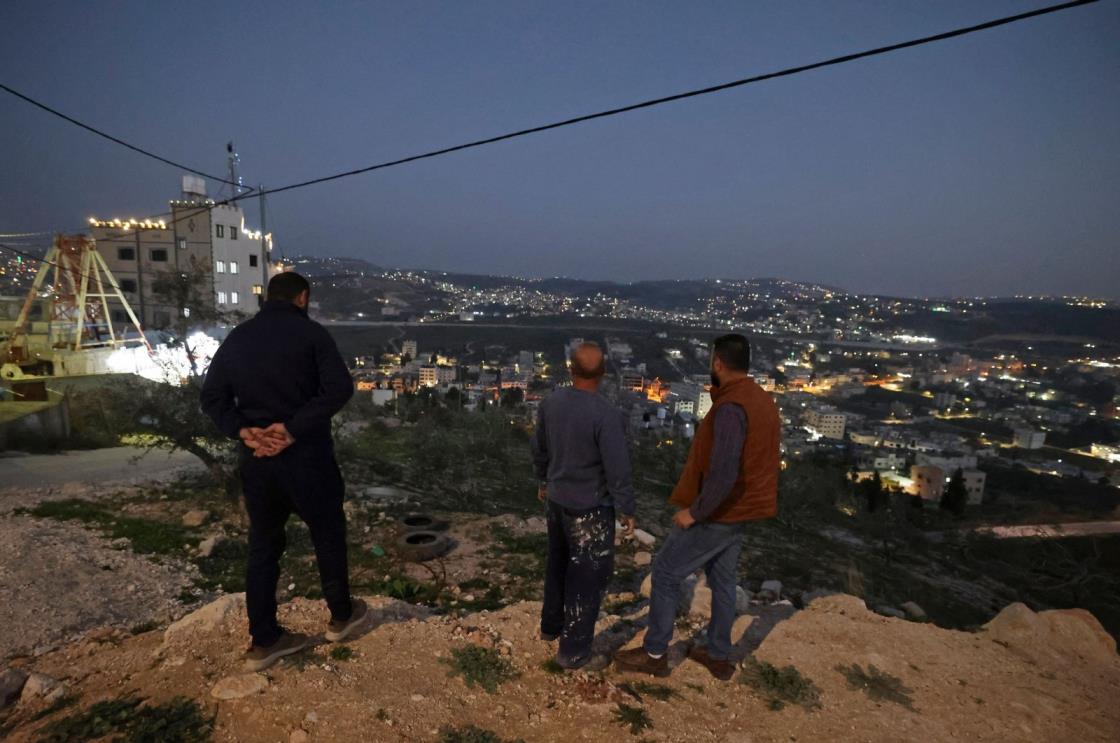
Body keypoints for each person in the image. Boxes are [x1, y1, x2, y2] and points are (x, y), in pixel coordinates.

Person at [200, 271, 367, 671]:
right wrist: (291, 430)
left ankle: (265, 639)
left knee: (263, 547)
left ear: (267, 297)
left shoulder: (239, 337)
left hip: (257, 461)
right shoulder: (312, 335)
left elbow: (212, 397)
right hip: (308, 457)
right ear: (303, 298)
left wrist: (245, 431)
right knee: (327, 534)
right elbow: (339, 388)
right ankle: (341, 617)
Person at [614, 333, 779, 680]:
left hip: (718, 513)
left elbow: (724, 471)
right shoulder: (759, 399)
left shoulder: (732, 407)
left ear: (718, 363)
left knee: (665, 572)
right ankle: (718, 654)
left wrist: (696, 511)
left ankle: (655, 652)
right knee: (722, 582)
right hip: (741, 511)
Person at [531, 341, 636, 670]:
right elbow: (618, 468)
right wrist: (627, 508)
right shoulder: (606, 414)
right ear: (603, 373)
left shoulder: (551, 403)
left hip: (557, 500)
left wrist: (543, 482)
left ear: (570, 369)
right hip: (590, 508)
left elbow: (540, 449)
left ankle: (551, 627)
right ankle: (574, 652)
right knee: (587, 576)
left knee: (558, 563)